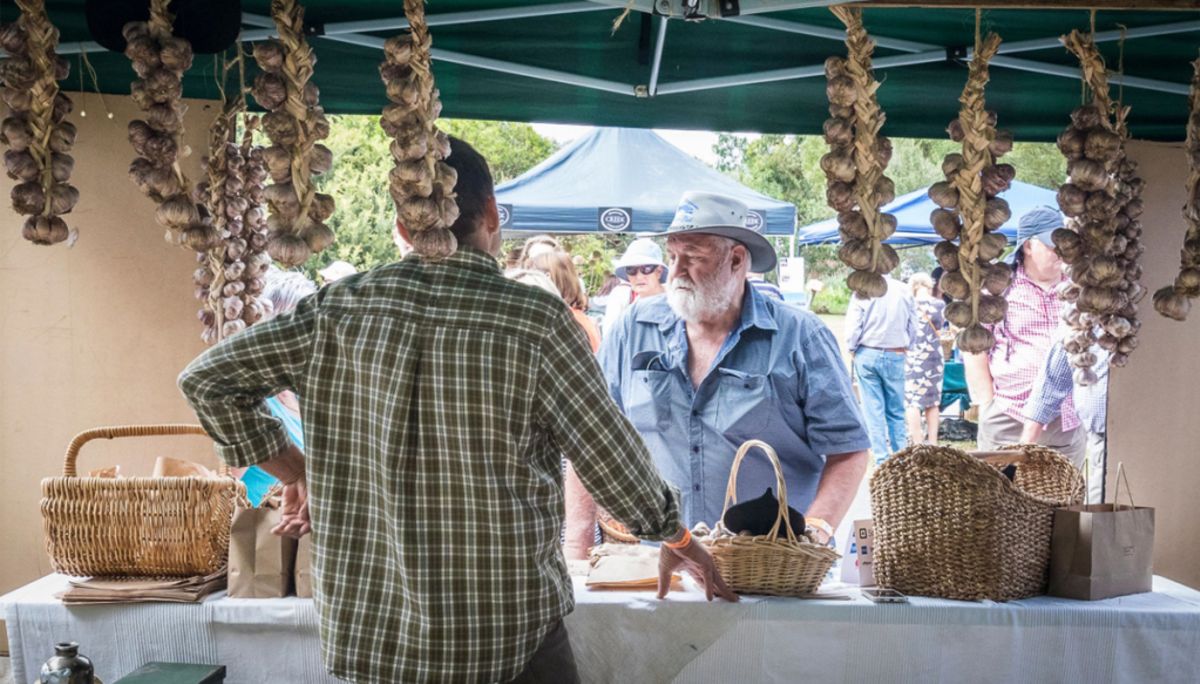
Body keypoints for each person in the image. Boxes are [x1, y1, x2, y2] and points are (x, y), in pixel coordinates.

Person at [178, 138, 734, 684]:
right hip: (507, 634)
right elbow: (611, 461)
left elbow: (207, 381)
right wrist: (675, 537)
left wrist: (297, 471)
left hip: (375, 638)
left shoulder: (336, 309)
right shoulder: (533, 320)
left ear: (402, 225)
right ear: (492, 214)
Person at [599, 191, 870, 545]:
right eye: (673, 256)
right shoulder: (632, 330)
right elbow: (589, 436)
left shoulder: (800, 336)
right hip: (659, 563)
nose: (676, 272)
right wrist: (576, 547)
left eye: (693, 257)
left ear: (737, 260)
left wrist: (815, 531)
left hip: (768, 564)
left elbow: (848, 449)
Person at [964, 206, 1086, 464]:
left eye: (1065, 246)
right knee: (999, 498)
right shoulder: (997, 290)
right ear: (1029, 246)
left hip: (1065, 417)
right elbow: (975, 348)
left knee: (1065, 500)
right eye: (1053, 244)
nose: (1061, 253)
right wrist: (986, 404)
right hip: (1009, 414)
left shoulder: (1077, 286)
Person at [1021, 330, 1109, 503]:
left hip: (1157, 427)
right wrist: (1026, 441)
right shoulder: (1081, 312)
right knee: (1105, 514)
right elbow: (1055, 375)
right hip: (1104, 438)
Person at [844, 273, 916, 464]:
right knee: (896, 409)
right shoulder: (903, 289)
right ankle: (901, 458)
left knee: (872, 409)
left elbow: (853, 326)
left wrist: (851, 348)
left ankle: (882, 460)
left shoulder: (863, 290)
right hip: (896, 352)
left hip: (867, 352)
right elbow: (913, 324)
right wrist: (908, 346)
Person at [905, 273, 946, 445]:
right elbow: (941, 326)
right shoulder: (939, 304)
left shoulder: (907, 305)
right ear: (929, 286)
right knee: (933, 401)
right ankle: (934, 442)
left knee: (912, 401)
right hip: (934, 355)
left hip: (913, 354)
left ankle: (917, 441)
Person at [601, 237, 667, 336]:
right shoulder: (622, 299)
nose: (639, 276)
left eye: (646, 268)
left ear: (659, 272)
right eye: (631, 270)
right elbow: (610, 339)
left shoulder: (676, 303)